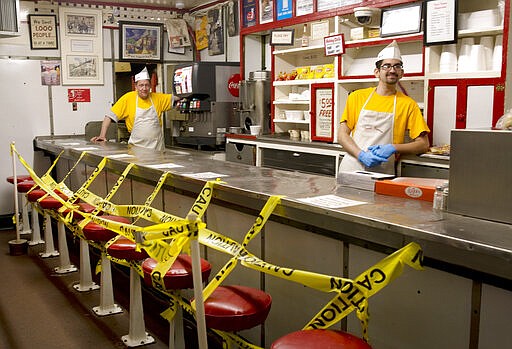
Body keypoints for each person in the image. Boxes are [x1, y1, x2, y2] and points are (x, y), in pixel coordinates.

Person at [337, 40, 430, 175]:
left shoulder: (408, 104)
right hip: (352, 167)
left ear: (402, 73)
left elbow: (423, 144)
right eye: (386, 66)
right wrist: (361, 155)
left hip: (383, 171)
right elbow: (342, 135)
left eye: (397, 66)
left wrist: (393, 147)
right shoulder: (357, 97)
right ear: (377, 72)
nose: (392, 70)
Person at [91, 67, 172, 150]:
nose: (144, 88)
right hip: (136, 149)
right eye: (141, 85)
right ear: (136, 86)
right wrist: (102, 135)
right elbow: (109, 117)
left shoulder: (158, 98)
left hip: (157, 150)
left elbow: (176, 97)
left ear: (150, 86)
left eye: (147, 85)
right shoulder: (128, 98)